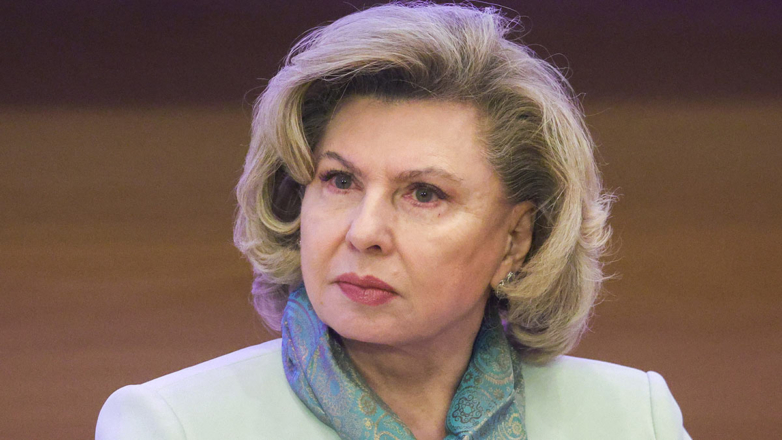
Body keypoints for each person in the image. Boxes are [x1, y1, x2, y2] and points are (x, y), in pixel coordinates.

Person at [96, 2, 690, 439]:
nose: (363, 232)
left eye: (424, 194)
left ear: (516, 240)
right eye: (340, 181)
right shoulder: (174, 424)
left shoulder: (632, 418)